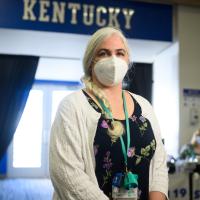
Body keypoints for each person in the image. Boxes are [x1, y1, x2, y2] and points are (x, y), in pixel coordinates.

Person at [49, 27, 168, 200]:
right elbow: (66, 174)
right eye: (103, 53)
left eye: (120, 53)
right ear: (91, 62)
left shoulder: (144, 105)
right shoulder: (72, 106)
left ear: (128, 60)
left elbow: (159, 161)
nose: (113, 60)